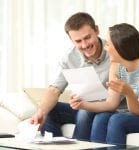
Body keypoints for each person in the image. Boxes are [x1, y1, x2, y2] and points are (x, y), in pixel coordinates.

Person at [30, 12, 110, 140]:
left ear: (97, 30)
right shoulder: (69, 58)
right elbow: (54, 89)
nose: (84, 45)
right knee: (50, 110)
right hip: (85, 108)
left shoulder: (115, 52)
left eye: (87, 37)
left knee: (85, 110)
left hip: (110, 108)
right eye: (78, 41)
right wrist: (40, 113)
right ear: (71, 40)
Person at [69, 23, 139, 145]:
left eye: (108, 44)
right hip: (132, 114)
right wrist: (82, 104)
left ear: (120, 46)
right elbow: (111, 104)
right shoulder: (116, 66)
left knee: (117, 120)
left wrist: (128, 93)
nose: (105, 48)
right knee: (101, 118)